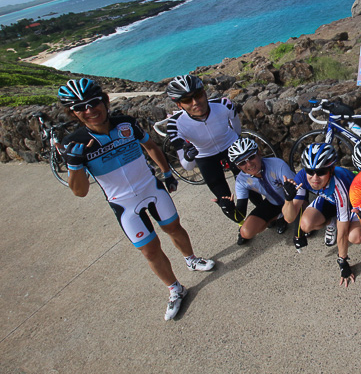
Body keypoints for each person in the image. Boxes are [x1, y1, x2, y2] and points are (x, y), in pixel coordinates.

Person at [58, 78, 214, 321]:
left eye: (93, 103)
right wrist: (75, 165)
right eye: (80, 108)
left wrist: (166, 172)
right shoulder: (75, 143)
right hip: (123, 204)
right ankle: (175, 288)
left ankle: (191, 260)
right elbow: (79, 192)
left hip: (151, 188)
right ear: (73, 112)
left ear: (104, 101)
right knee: (150, 252)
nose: (89, 111)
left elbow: (150, 146)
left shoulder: (126, 124)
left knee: (174, 228)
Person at [166, 74, 263, 245]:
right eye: (187, 100)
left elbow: (237, 129)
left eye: (197, 95)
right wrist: (190, 155)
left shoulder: (224, 105)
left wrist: (235, 144)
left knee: (252, 185)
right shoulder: (176, 125)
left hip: (231, 147)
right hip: (204, 156)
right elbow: (187, 166)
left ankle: (266, 215)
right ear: (179, 104)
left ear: (204, 93)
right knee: (224, 199)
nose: (195, 102)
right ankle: (242, 225)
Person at [281, 143, 361, 287]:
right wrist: (288, 200)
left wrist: (342, 262)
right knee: (305, 224)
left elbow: (342, 234)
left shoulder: (339, 186)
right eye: (310, 171)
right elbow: (289, 217)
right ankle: (331, 223)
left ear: (331, 170)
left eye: (321, 171)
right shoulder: (302, 177)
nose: (314, 177)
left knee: (354, 237)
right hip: (330, 200)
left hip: (350, 203)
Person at [226, 137, 291, 245]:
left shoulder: (277, 164)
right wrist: (229, 209)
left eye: (251, 157)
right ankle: (280, 216)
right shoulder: (241, 180)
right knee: (246, 232)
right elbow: (240, 214)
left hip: (292, 200)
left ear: (259, 153)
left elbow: (299, 191)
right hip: (273, 203)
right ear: (237, 166)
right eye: (242, 163)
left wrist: (299, 231)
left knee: (302, 220)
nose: (249, 164)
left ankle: (286, 216)